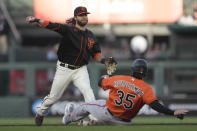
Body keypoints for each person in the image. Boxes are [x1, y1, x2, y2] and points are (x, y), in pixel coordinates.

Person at [26, 6, 116, 126]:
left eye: (85, 14)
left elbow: (96, 55)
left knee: (88, 91)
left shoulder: (91, 36)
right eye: (81, 15)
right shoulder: (68, 30)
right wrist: (36, 20)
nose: (84, 17)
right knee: (53, 97)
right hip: (64, 68)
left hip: (80, 69)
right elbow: (51, 25)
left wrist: (104, 61)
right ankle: (41, 113)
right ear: (76, 17)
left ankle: (94, 118)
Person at [62, 59, 188, 126]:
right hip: (124, 123)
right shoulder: (146, 88)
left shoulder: (120, 78)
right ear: (145, 72)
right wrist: (173, 113)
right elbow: (156, 105)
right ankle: (87, 124)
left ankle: (68, 118)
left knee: (87, 105)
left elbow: (100, 82)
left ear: (133, 69)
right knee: (99, 122)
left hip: (107, 113)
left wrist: (105, 76)